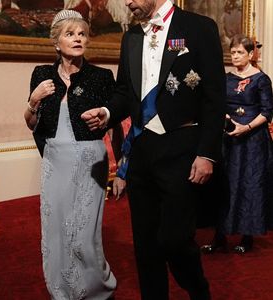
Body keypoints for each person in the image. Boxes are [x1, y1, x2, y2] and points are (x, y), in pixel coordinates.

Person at [81, 0, 226, 299]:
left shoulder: (199, 28)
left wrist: (207, 153)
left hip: (182, 149)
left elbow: (214, 96)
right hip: (141, 152)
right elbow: (124, 92)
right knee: (145, 245)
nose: (128, 2)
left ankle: (198, 290)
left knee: (175, 240)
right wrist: (107, 113)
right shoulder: (131, 37)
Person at [24, 9, 119, 300]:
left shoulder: (101, 76)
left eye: (82, 34)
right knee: (56, 230)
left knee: (83, 235)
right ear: (56, 42)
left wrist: (119, 169)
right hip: (55, 160)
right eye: (70, 34)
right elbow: (31, 124)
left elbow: (116, 125)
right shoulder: (41, 74)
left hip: (91, 161)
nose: (78, 39)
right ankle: (61, 290)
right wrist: (33, 99)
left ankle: (97, 289)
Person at [201, 34, 273, 255]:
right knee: (224, 185)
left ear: (251, 54)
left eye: (240, 52)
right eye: (232, 52)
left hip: (253, 141)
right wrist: (226, 119)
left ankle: (246, 236)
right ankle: (220, 236)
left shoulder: (261, 79)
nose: (235, 56)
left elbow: (268, 112)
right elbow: (216, 103)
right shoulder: (227, 78)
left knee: (249, 186)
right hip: (228, 138)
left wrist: (247, 127)